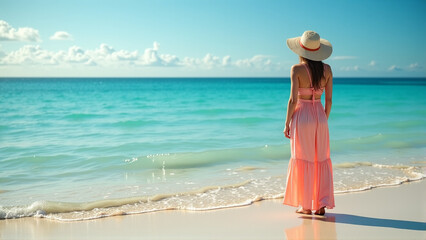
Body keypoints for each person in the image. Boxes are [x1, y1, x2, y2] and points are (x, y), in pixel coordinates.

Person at [282, 30, 335, 215]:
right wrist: (322, 120)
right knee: (320, 159)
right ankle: (320, 205)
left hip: (302, 117)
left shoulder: (296, 70)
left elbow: (292, 101)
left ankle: (305, 206)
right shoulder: (327, 70)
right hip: (319, 117)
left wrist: (287, 123)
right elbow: (328, 101)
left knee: (303, 159)